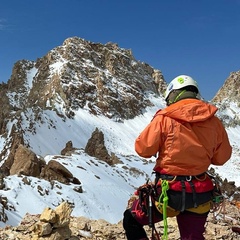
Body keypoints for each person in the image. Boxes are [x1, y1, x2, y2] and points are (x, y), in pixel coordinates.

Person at [123, 75, 232, 240]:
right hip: (200, 193)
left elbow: (143, 149)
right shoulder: (214, 121)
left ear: (172, 95)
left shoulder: (164, 118)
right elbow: (221, 158)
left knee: (131, 219)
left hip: (169, 194)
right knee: (192, 237)